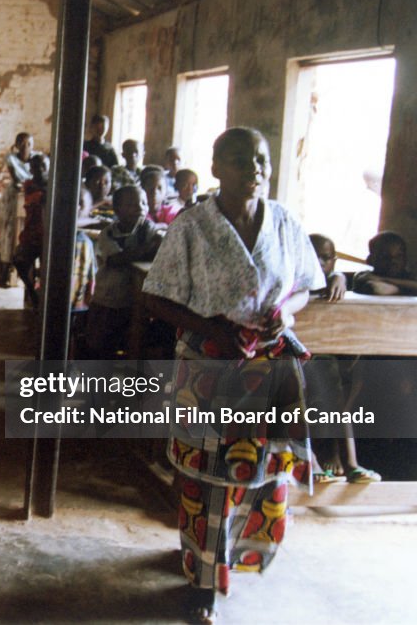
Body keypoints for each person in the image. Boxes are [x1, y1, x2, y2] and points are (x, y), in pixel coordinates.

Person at [142, 127, 324, 623]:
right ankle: (202, 580)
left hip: (268, 365)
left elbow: (307, 285)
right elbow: (154, 295)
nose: (255, 170)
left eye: (262, 160)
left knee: (260, 469)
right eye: (242, 161)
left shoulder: (284, 221)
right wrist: (211, 329)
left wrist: (285, 313)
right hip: (210, 363)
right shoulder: (193, 225)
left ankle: (233, 557)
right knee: (207, 474)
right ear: (218, 167)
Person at [306, 233, 380, 484]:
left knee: (337, 398)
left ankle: (351, 464)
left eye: (327, 258)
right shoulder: (295, 280)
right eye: (314, 255)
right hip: (289, 356)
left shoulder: (333, 281)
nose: (320, 261)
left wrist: (338, 278)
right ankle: (314, 460)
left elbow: (340, 279)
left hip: (322, 357)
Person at [87, 186, 164, 357]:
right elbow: (117, 259)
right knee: (101, 347)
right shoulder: (108, 233)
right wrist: (150, 246)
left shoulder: (147, 228)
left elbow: (159, 247)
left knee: (132, 344)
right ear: (117, 210)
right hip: (107, 300)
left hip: (134, 301)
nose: (140, 208)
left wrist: (157, 243)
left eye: (143, 203)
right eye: (131, 204)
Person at [0, 132, 37, 288]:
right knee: (6, 234)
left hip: (30, 198)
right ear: (17, 145)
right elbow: (19, 178)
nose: (26, 148)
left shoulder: (37, 158)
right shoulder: (11, 158)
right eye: (22, 144)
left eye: (29, 144)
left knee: (21, 235)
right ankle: (2, 272)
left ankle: (16, 272)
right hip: (13, 198)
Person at [12, 154, 49, 309]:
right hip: (32, 232)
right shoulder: (29, 185)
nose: (39, 169)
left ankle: (43, 295)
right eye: (35, 166)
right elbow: (34, 198)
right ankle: (31, 290)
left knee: (49, 268)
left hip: (48, 234)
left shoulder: (53, 184)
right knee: (19, 259)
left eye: (42, 166)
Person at [353, 231, 417, 295]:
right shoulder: (364, 276)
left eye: (399, 256)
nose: (393, 261)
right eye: (385, 256)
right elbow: (376, 289)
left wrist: (381, 279)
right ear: (370, 259)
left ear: (405, 258)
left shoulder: (409, 277)